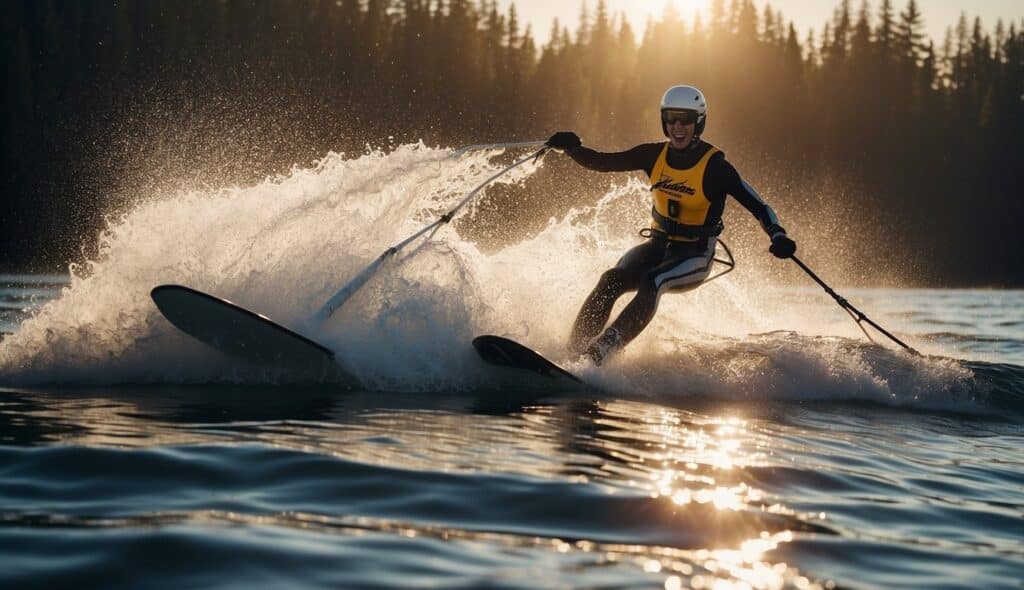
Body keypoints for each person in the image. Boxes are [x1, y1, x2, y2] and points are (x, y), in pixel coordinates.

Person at [546, 84, 797, 365]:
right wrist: (572, 149)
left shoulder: (716, 167)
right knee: (611, 279)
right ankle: (569, 355)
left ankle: (600, 354)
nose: (678, 126)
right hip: (657, 246)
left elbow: (759, 206)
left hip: (695, 255)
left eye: (686, 120)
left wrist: (778, 235)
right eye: (671, 119)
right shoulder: (653, 155)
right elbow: (604, 162)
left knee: (655, 281)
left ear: (698, 122)